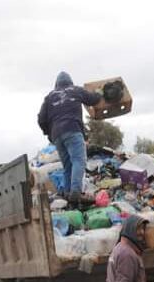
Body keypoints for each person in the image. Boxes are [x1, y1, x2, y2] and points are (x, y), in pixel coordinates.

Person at [38, 71, 102, 206]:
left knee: (67, 165)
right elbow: (93, 99)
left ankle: (67, 194)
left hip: (57, 135)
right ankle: (75, 192)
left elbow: (41, 119)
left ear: (56, 84)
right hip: (72, 129)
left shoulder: (50, 97)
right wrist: (100, 93)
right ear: (70, 82)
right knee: (79, 160)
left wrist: (49, 133)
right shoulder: (75, 90)